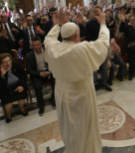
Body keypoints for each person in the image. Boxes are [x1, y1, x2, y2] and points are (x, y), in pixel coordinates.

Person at [44, 9, 109, 153]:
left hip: (61, 94)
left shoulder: (53, 48)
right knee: (85, 127)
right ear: (76, 36)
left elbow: (48, 39)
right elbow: (103, 43)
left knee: (68, 127)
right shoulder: (82, 49)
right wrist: (103, 24)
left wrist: (58, 25)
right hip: (82, 96)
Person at [0, 53, 28, 123]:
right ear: (0, 63)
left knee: (21, 100)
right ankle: (8, 115)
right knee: (8, 105)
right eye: (5, 62)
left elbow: (23, 75)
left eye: (9, 60)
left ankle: (22, 109)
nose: (8, 63)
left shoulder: (16, 64)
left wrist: (21, 85)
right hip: (5, 88)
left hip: (17, 85)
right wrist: (2, 74)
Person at [26, 36, 55, 116]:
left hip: (48, 71)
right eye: (34, 45)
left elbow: (54, 63)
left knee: (56, 81)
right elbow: (28, 70)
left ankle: (53, 99)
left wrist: (48, 72)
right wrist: (39, 74)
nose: (36, 47)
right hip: (37, 74)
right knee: (37, 87)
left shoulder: (48, 51)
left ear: (41, 44)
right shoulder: (29, 56)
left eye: (38, 45)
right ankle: (41, 105)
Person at [86, 6, 113, 91]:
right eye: (95, 12)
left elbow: (108, 34)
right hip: (94, 49)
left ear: (101, 12)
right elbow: (88, 38)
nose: (96, 13)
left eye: (98, 11)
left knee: (104, 67)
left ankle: (104, 83)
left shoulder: (105, 23)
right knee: (94, 68)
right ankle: (93, 85)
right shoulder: (89, 24)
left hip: (103, 48)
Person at [119, 14, 135, 80]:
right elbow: (121, 30)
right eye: (131, 20)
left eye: (133, 20)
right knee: (132, 61)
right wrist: (123, 21)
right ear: (129, 20)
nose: (132, 21)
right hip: (130, 47)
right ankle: (131, 74)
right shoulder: (127, 26)